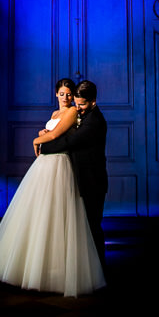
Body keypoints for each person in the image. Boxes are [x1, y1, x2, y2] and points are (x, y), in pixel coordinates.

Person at [0, 79, 105, 297]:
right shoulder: (65, 113)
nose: (68, 99)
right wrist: (42, 135)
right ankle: (43, 267)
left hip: (74, 170)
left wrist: (39, 142)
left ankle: (90, 273)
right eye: (63, 94)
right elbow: (58, 133)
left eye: (71, 96)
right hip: (48, 167)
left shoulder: (84, 117)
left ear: (91, 102)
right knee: (42, 216)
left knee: (81, 223)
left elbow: (63, 139)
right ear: (56, 94)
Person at [36, 79, 107, 266]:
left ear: (93, 101)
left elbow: (69, 143)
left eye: (82, 104)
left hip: (92, 182)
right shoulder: (84, 115)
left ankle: (98, 271)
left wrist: (40, 144)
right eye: (76, 103)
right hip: (82, 177)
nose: (78, 108)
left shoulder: (94, 122)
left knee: (92, 228)